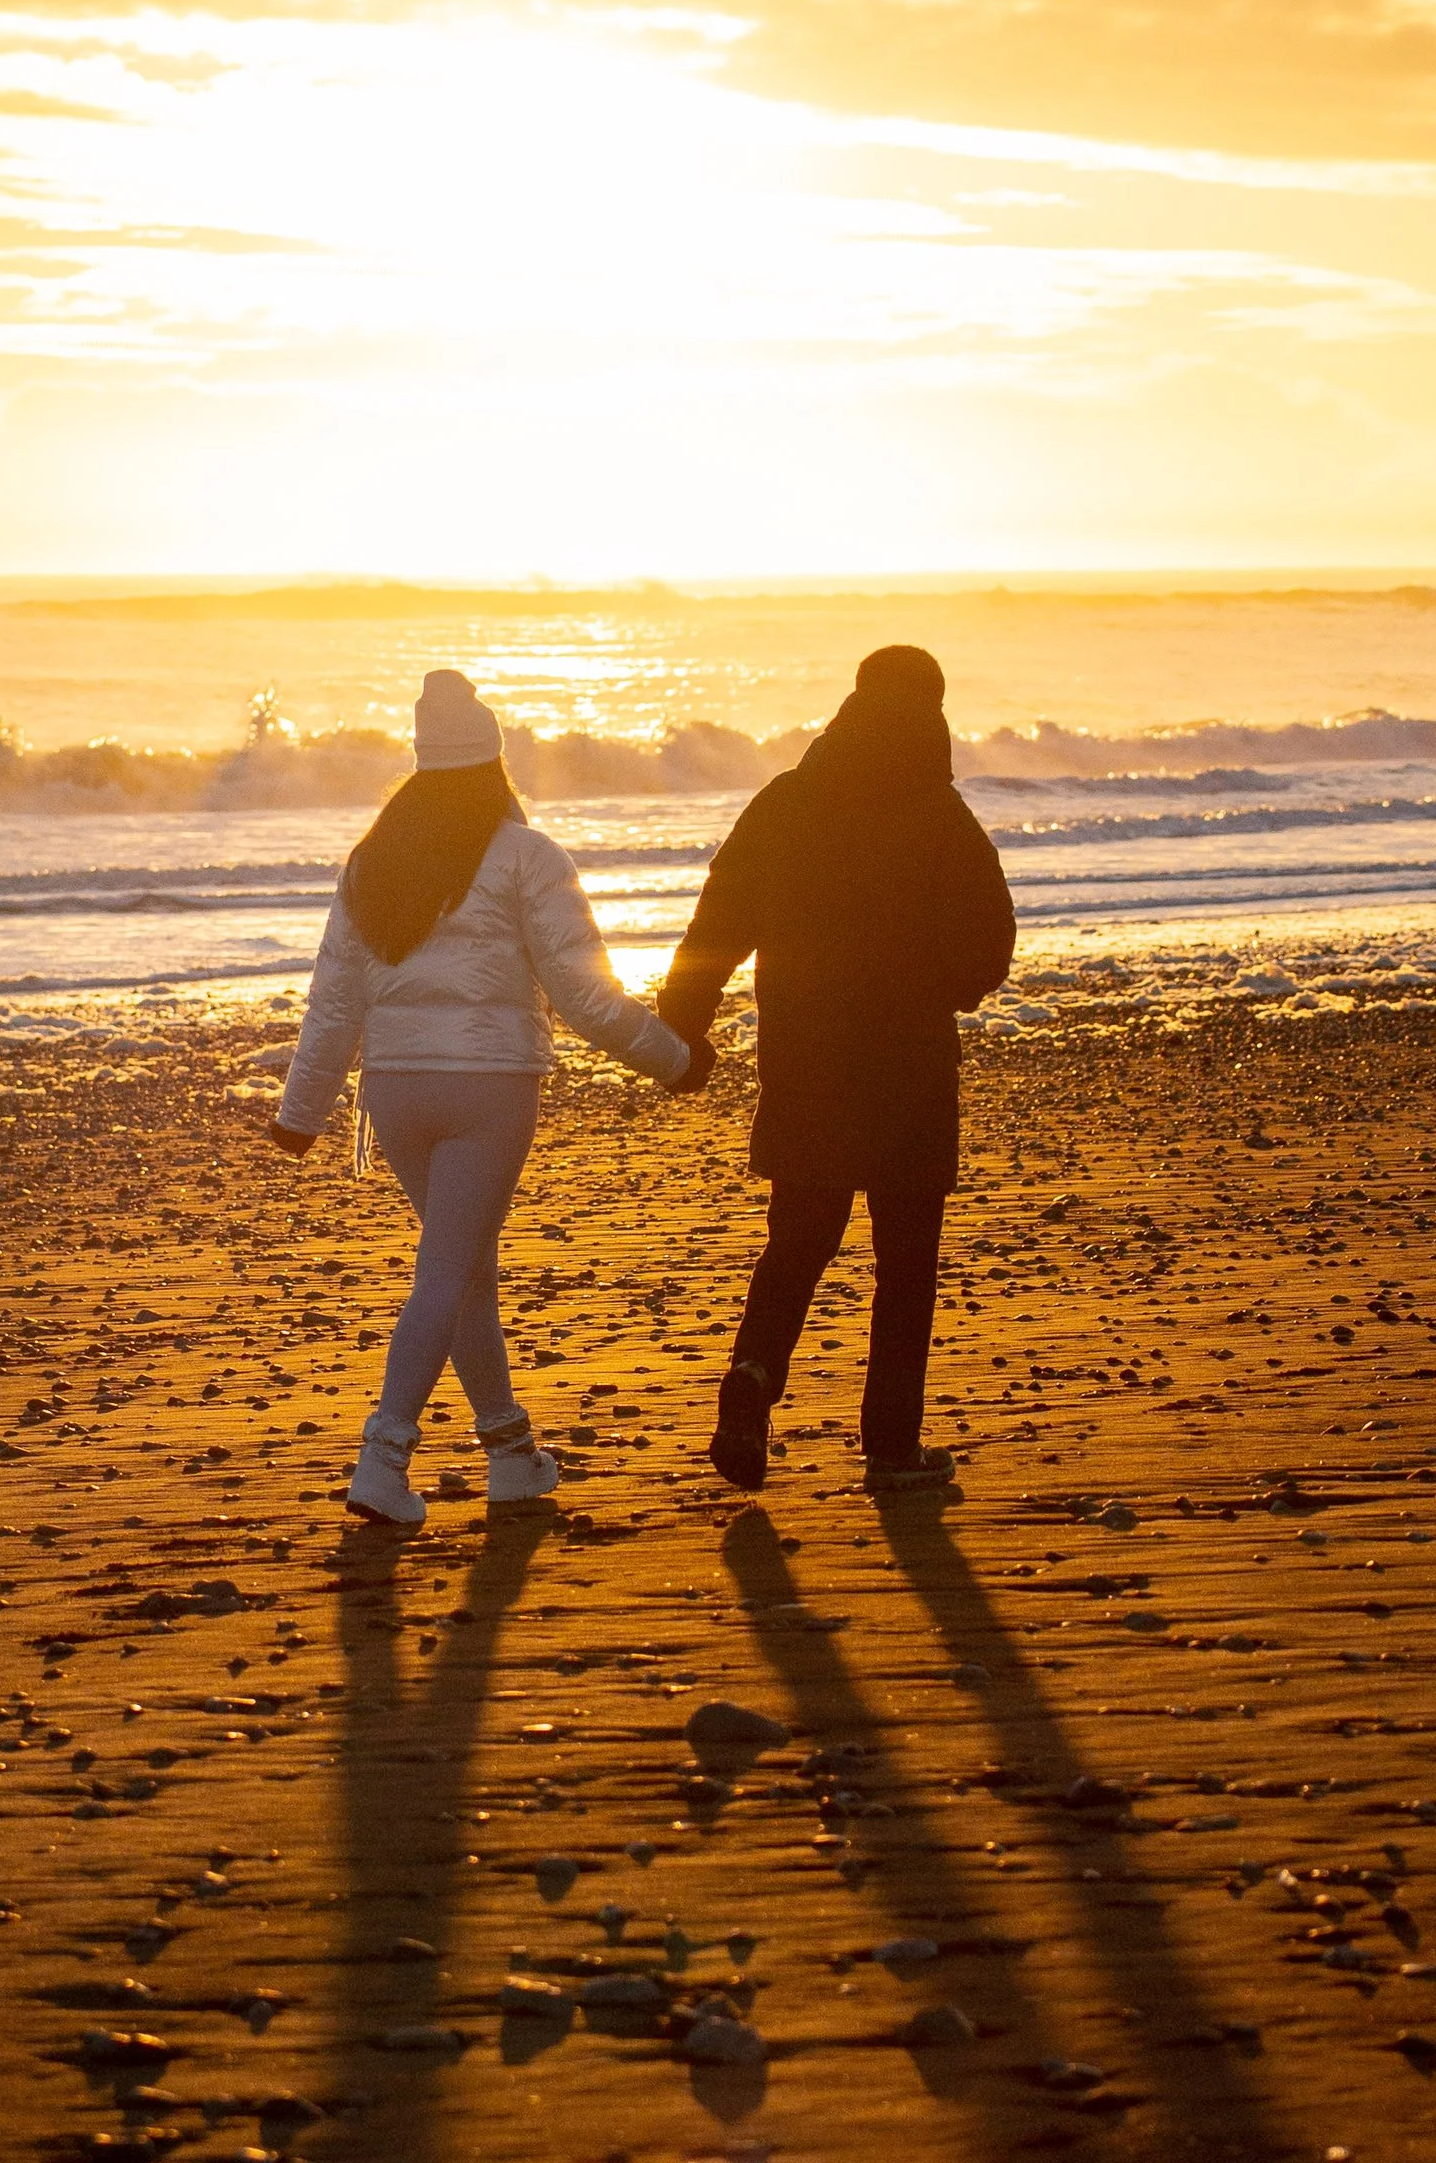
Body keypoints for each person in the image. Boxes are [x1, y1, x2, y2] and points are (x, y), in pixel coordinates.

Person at [270, 668, 707, 1526]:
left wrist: (301, 1112)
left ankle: (510, 1453)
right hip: (488, 1090)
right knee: (448, 1272)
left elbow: (334, 999)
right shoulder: (527, 855)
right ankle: (383, 1457)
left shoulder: (372, 859)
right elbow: (584, 997)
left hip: (394, 1092)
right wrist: (676, 1060)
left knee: (467, 1269)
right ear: (493, 762)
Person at [657, 643, 1014, 1493]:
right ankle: (890, 1448)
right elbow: (989, 941)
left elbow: (716, 924)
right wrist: (946, 988)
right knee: (906, 1264)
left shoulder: (785, 801)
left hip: (807, 1061)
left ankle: (751, 1380)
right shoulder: (942, 815)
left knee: (798, 1242)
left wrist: (681, 1031)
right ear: (932, 713)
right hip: (911, 1069)